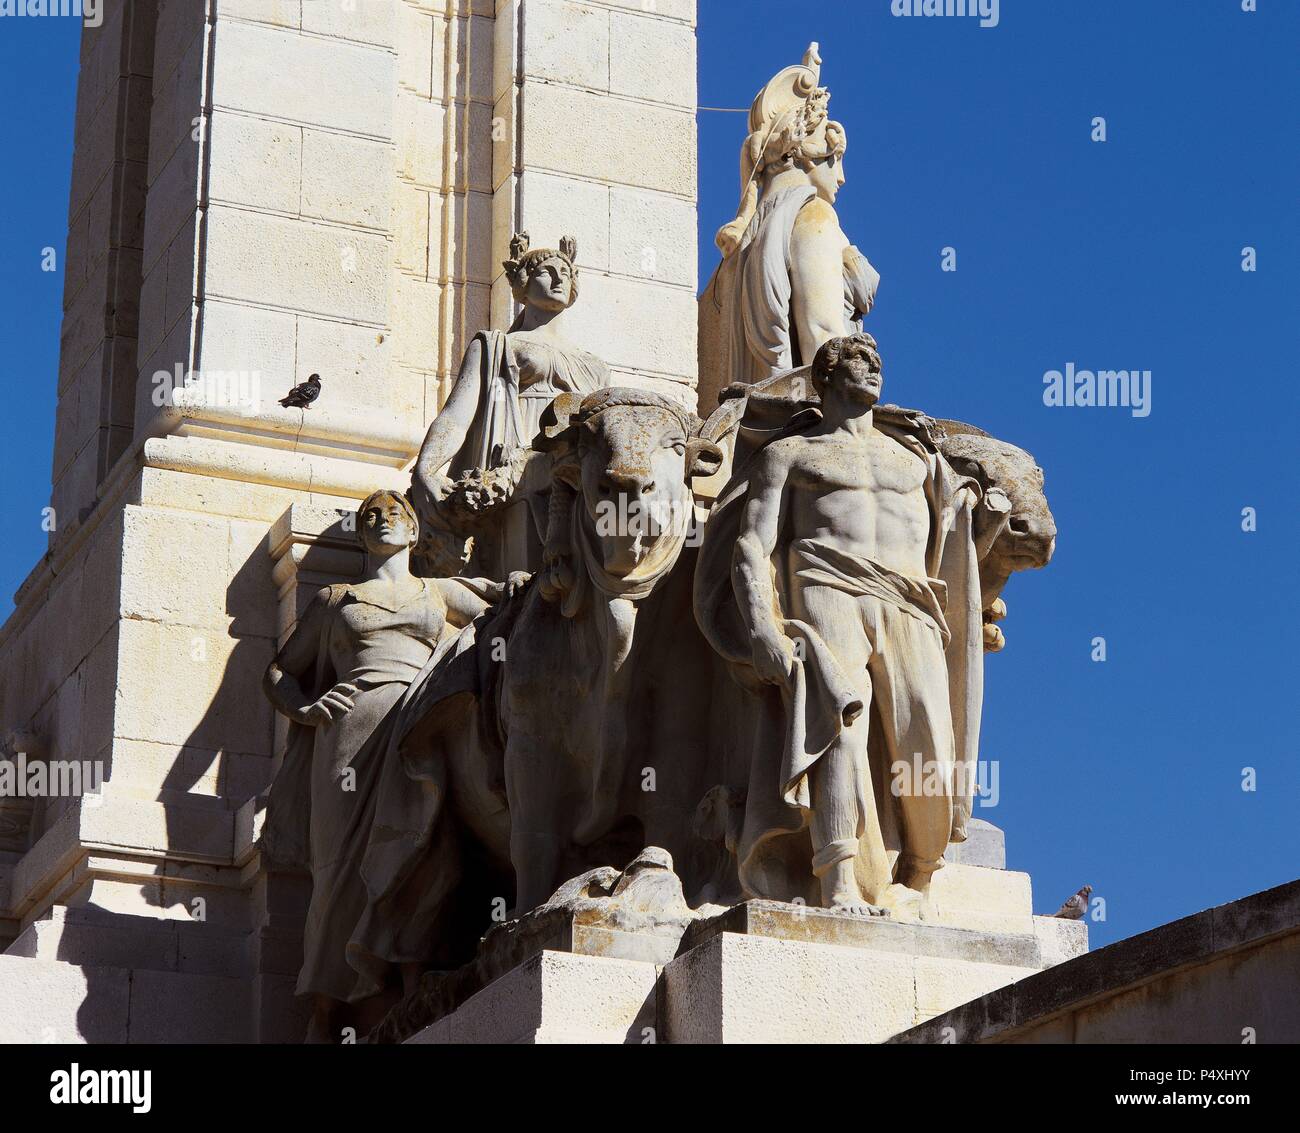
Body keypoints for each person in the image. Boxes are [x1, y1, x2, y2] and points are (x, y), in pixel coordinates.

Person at [694, 334, 987, 916]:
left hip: (908, 600)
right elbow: (753, 545)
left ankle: (919, 875)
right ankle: (839, 877)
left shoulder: (917, 460)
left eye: (879, 360)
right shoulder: (791, 455)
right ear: (825, 378)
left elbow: (952, 539)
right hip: (826, 585)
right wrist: (763, 629)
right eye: (858, 360)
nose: (874, 367)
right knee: (837, 725)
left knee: (926, 735)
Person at [261, 488, 522, 1041]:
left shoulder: (438, 590)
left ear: (413, 532)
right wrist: (304, 709)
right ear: (362, 534)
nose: (383, 521)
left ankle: (408, 983)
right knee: (338, 871)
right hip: (346, 737)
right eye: (371, 517)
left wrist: (524, 582)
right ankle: (329, 1007)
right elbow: (279, 672)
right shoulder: (335, 599)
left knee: (418, 846)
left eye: (395, 515)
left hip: (415, 730)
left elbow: (507, 611)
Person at [410, 233, 609, 578]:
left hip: (576, 469)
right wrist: (426, 468)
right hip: (518, 464)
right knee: (523, 571)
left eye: (566, 272)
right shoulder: (495, 346)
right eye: (547, 271)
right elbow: (457, 415)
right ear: (522, 283)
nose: (560, 279)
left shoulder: (595, 364)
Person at [698, 43, 879, 412]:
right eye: (834, 160)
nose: (841, 178)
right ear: (803, 154)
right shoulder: (812, 215)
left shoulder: (740, 247)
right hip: (805, 422)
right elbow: (825, 337)